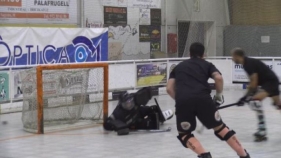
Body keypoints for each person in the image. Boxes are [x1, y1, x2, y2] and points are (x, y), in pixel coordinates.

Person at [166, 42, 250, 158]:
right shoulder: (207, 65)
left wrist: (181, 100)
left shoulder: (178, 67)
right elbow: (218, 78)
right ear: (203, 54)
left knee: (184, 134)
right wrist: (219, 96)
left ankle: (204, 155)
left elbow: (169, 89)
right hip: (203, 99)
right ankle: (244, 155)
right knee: (221, 129)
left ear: (189, 54)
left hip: (183, 101)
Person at [231, 48, 281, 142]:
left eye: (233, 56)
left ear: (237, 56)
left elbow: (253, 83)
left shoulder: (248, 64)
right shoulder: (247, 63)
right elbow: (254, 83)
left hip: (270, 82)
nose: (232, 59)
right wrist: (247, 96)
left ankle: (262, 131)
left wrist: (244, 97)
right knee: (278, 104)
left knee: (255, 101)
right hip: (271, 81)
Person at [104, 87, 173, 135]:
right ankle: (152, 122)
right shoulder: (118, 112)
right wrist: (118, 125)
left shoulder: (134, 98)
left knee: (152, 109)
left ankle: (161, 117)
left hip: (138, 112)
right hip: (134, 123)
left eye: (130, 102)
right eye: (126, 104)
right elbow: (107, 123)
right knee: (148, 123)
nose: (129, 105)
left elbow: (146, 91)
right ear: (121, 104)